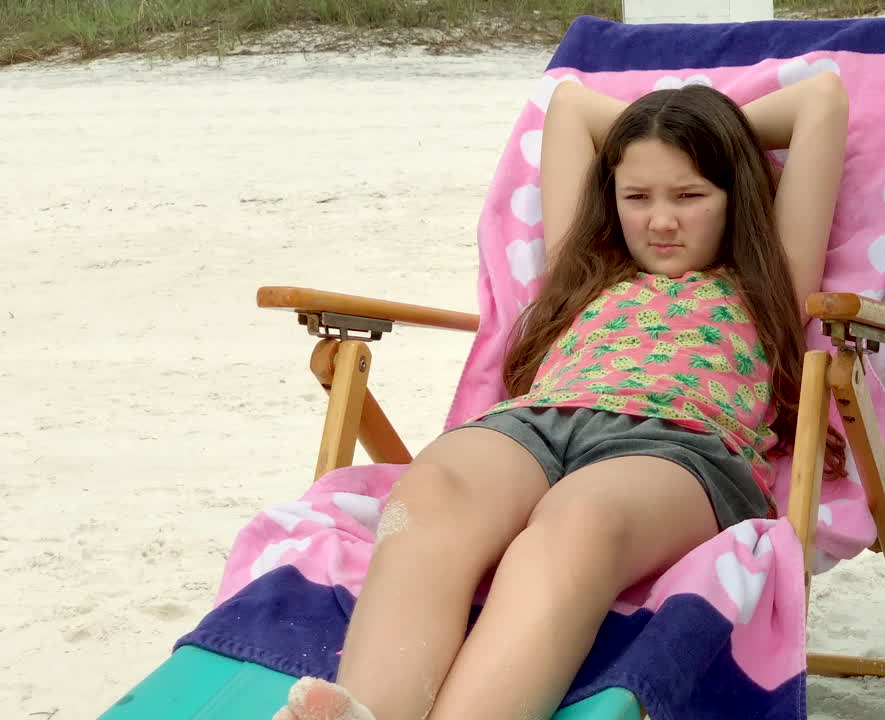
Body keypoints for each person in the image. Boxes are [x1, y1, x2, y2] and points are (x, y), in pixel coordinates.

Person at [274, 71, 849, 720]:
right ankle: (367, 711)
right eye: (637, 195)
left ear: (735, 193)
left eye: (690, 194)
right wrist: (661, 130)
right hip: (533, 423)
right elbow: (570, 105)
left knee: (578, 528)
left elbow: (821, 99)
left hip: (674, 443)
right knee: (426, 498)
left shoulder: (769, 276)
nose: (660, 220)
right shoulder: (586, 268)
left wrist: (704, 124)